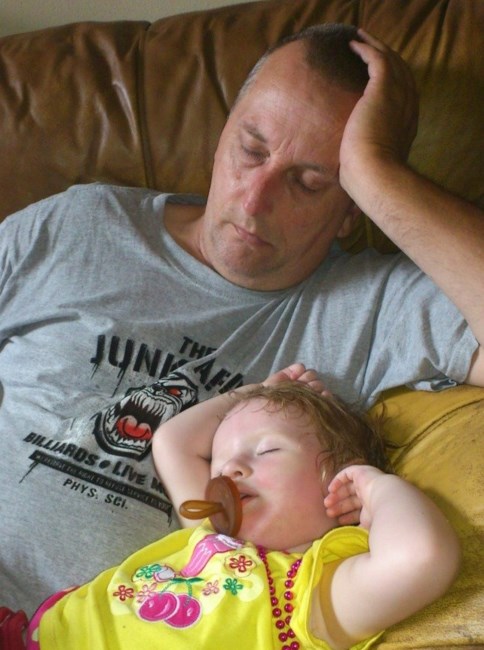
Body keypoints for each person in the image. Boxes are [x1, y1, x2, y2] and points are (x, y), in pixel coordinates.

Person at [0, 23, 481, 616]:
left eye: (309, 183)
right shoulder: (78, 225)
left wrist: (379, 174)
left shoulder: (376, 305)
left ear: (351, 211)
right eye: (251, 150)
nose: (254, 201)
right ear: (220, 135)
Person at [25, 363, 460, 649]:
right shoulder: (208, 529)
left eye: (267, 450)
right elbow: (173, 440)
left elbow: (421, 557)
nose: (230, 468)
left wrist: (376, 487)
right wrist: (260, 392)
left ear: (340, 480)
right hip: (45, 632)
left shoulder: (315, 593)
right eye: (220, 461)